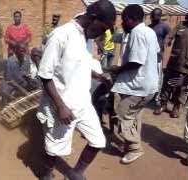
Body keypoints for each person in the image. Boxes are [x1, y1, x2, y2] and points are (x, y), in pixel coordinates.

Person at [36, 0, 116, 179]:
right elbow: (45, 74)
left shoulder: (86, 37)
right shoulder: (61, 35)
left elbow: (79, 66)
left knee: (98, 141)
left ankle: (75, 172)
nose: (102, 34)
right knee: (55, 147)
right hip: (62, 105)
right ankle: (46, 174)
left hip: (82, 103)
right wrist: (60, 106)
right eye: (103, 29)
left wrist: (98, 76)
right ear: (93, 19)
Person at [109, 5, 160, 164]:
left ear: (131, 19)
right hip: (147, 84)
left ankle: (135, 148)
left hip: (137, 86)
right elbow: (156, 52)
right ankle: (129, 144)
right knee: (134, 115)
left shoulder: (137, 33)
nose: (122, 23)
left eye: (124, 19)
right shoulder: (149, 31)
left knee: (123, 114)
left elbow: (136, 62)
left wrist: (118, 69)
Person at [154, 12, 188, 118]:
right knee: (167, 84)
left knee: (181, 87)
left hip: (187, 65)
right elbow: (170, 36)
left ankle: (176, 107)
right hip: (174, 61)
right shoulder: (181, 25)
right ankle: (163, 105)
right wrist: (167, 40)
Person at [148, 8, 171, 105]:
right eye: (153, 15)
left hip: (158, 56)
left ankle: (157, 97)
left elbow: (170, 37)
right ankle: (149, 95)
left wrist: (166, 43)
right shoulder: (149, 27)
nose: (154, 17)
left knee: (158, 77)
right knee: (149, 76)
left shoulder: (164, 26)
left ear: (160, 16)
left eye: (157, 15)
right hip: (149, 56)